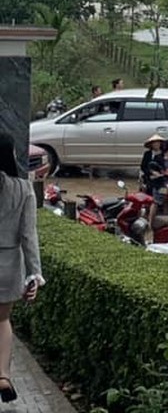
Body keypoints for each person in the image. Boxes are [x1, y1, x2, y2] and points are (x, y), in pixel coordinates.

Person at [0, 133, 44, 404]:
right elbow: (29, 235)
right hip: (8, 264)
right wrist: (34, 274)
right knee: (2, 320)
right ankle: (2, 374)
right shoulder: (23, 188)